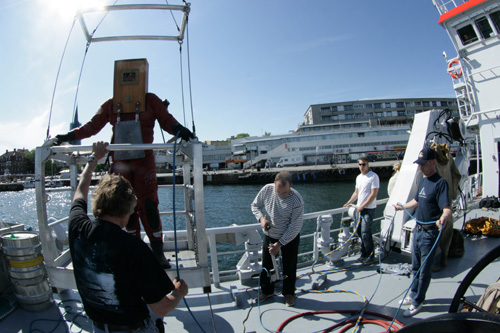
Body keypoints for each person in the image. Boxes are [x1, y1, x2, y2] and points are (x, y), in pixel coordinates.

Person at [56, 59, 195, 268]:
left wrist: (180, 130)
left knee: (148, 206)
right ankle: (134, 249)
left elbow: (167, 120)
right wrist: (67, 136)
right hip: (120, 162)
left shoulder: (151, 100)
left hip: (144, 162)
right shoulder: (111, 104)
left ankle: (157, 254)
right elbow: (92, 126)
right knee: (123, 206)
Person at [68, 141, 188, 332]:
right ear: (128, 210)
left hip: (97, 327)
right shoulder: (134, 248)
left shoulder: (77, 227)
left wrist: (93, 158)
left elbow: (80, 189)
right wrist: (178, 292)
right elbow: (162, 307)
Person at [393, 146, 451, 317]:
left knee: (424, 270)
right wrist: (402, 206)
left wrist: (443, 218)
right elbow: (416, 201)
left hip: (429, 233)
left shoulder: (440, 183)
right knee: (415, 266)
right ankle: (412, 294)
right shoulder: (423, 180)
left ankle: (418, 302)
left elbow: (446, 208)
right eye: (419, 164)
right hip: (418, 231)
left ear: (433, 162)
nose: (420, 167)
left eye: (423, 164)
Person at [251, 171, 304, 307]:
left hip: (289, 238)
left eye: (285, 193)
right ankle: (266, 290)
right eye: (278, 192)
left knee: (289, 267)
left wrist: (279, 244)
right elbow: (255, 205)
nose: (281, 195)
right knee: (266, 265)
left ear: (290, 186)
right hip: (270, 234)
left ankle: (289, 294)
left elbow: (295, 226)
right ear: (274, 184)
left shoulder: (297, 200)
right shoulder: (267, 190)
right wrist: (262, 219)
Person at [344, 157, 380, 262]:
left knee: (365, 232)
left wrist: (363, 206)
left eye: (363, 164)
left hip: (368, 209)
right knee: (359, 232)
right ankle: (364, 253)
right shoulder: (359, 177)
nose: (361, 166)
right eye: (360, 164)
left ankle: (369, 255)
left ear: (368, 165)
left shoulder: (373, 177)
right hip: (358, 209)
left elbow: (373, 194)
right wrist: (349, 202)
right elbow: (356, 193)